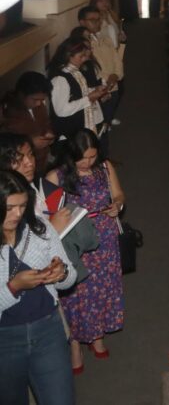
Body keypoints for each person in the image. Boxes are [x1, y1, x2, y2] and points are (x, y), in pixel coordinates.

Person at [44, 129, 124, 374]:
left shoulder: (105, 167)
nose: (89, 163)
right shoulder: (55, 177)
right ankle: (76, 344)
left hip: (105, 239)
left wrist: (117, 205)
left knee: (102, 289)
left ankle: (97, 335)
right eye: (84, 158)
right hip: (76, 242)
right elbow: (46, 218)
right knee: (77, 293)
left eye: (93, 157)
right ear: (71, 155)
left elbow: (119, 194)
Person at [0, 169, 77, 404]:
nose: (17, 213)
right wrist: (14, 286)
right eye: (10, 207)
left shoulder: (39, 229)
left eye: (23, 206)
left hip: (48, 329)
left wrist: (60, 273)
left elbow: (70, 275)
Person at [48, 38, 107, 140]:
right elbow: (62, 110)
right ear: (68, 56)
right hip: (69, 133)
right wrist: (89, 98)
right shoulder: (60, 79)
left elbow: (79, 92)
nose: (84, 59)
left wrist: (95, 91)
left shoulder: (75, 72)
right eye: (81, 56)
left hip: (80, 128)